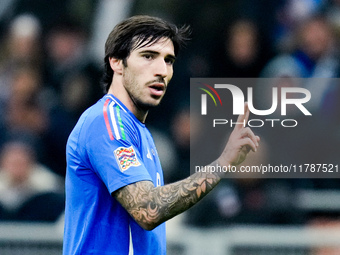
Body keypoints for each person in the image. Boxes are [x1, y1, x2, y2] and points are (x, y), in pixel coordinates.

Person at [63, 15, 260, 255]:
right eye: (148, 56)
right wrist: (220, 165)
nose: (161, 70)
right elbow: (148, 209)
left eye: (168, 60)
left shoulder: (138, 131)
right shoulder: (105, 122)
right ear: (116, 62)